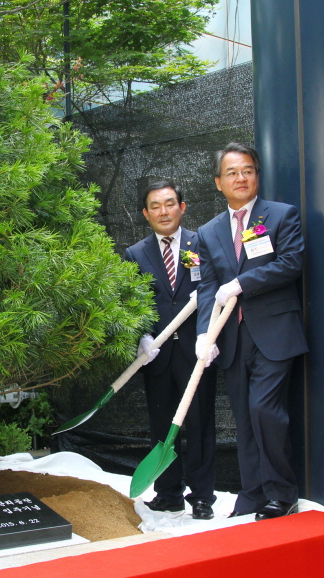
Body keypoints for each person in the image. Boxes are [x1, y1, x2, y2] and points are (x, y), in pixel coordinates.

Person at [195, 143, 307, 521]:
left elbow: (291, 262)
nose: (240, 178)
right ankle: (253, 493)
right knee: (243, 418)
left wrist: (242, 283)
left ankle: (282, 493)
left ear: (257, 175)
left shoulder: (279, 215)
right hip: (232, 338)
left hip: (275, 333)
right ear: (218, 182)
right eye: (231, 172)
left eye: (247, 170)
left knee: (264, 410)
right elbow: (208, 287)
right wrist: (203, 335)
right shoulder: (209, 232)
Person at [124, 181, 218, 520]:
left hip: (197, 352)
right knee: (162, 423)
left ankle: (203, 496)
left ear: (183, 206)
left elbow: (212, 291)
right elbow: (133, 303)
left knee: (199, 423)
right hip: (158, 356)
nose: (163, 212)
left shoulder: (202, 243)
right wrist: (142, 337)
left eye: (169, 204)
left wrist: (209, 335)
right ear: (146, 214)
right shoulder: (135, 254)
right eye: (155, 206)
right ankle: (167, 494)